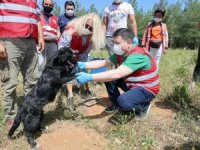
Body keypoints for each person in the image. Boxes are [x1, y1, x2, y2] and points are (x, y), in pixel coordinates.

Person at [75, 28, 160, 119]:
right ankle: (115, 104)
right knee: (109, 78)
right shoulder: (121, 54)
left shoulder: (138, 55)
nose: (115, 46)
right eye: (114, 43)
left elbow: (118, 73)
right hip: (134, 85)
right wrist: (83, 65)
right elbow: (104, 62)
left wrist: (90, 77)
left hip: (147, 89)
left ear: (128, 42)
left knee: (123, 102)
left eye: (118, 43)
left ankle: (143, 106)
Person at [0, 0, 45, 130]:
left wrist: (40, 37)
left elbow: (37, 18)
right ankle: (10, 116)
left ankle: (31, 115)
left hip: (31, 41)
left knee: (33, 80)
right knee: (10, 82)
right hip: (10, 40)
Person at [58, 13, 105, 106]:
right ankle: (70, 95)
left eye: (91, 28)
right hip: (67, 53)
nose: (87, 29)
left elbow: (86, 52)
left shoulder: (92, 38)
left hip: (80, 55)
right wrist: (69, 57)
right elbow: (62, 45)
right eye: (86, 26)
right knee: (69, 71)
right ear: (82, 23)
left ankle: (87, 89)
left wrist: (80, 62)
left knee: (84, 70)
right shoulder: (71, 29)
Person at [38, 0, 61, 72]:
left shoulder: (55, 18)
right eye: (46, 4)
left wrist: (58, 35)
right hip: (41, 43)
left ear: (53, 6)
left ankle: (51, 81)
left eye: (50, 5)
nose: (48, 6)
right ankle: (39, 81)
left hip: (52, 44)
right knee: (40, 64)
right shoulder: (38, 15)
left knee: (52, 64)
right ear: (42, 4)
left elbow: (58, 29)